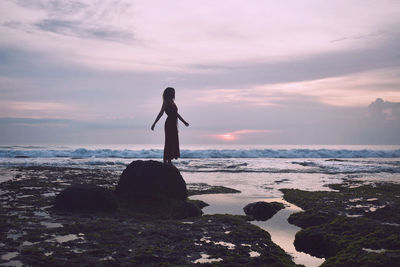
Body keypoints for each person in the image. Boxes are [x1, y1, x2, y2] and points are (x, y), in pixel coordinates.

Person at [151, 87, 189, 164]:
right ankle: (166, 160)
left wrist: (184, 122)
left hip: (174, 124)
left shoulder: (172, 102)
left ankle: (169, 160)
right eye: (173, 92)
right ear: (169, 93)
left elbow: (176, 114)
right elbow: (161, 113)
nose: (174, 94)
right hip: (169, 124)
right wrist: (154, 123)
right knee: (168, 141)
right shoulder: (166, 102)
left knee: (173, 141)